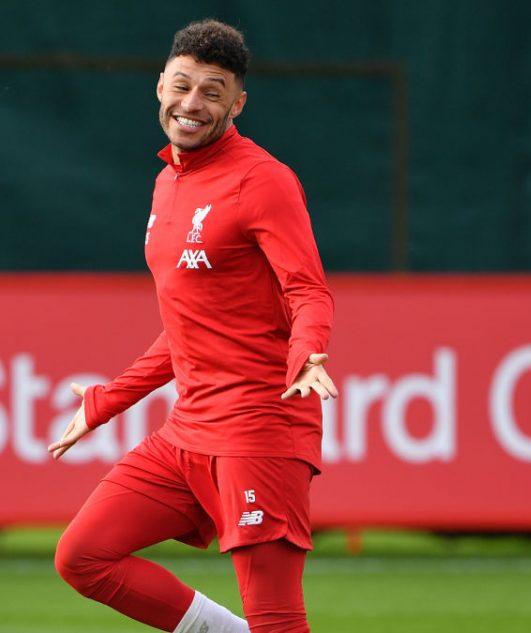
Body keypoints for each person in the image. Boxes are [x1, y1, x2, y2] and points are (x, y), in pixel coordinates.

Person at [48, 19, 337, 633]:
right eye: (182, 85)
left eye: (212, 91)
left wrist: (309, 349)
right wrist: (107, 401)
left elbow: (307, 290)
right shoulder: (167, 181)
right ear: (159, 87)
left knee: (277, 619)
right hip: (188, 433)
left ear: (238, 104)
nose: (192, 104)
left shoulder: (263, 181)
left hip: (260, 429)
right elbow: (186, 327)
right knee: (83, 556)